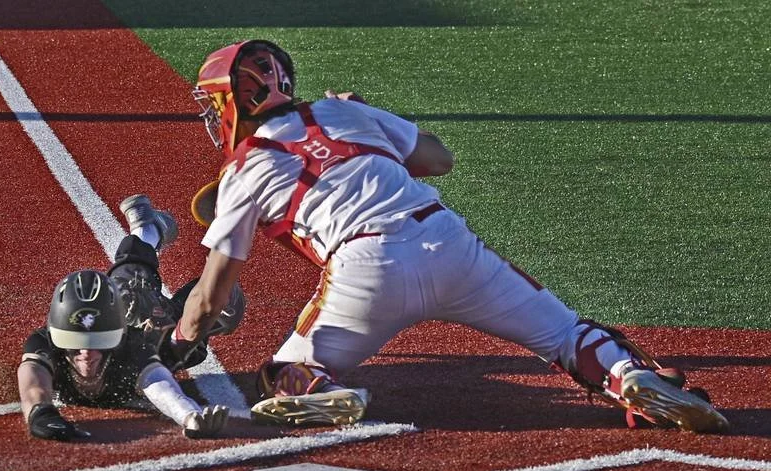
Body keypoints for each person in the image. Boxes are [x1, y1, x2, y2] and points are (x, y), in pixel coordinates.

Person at [171, 39, 729, 433]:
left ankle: (320, 391)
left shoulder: (243, 171)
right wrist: (368, 122)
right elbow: (439, 160)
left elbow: (212, 294)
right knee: (567, 334)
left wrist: (175, 345)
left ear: (235, 100)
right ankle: (629, 375)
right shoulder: (341, 113)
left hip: (365, 269)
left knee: (282, 374)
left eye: (213, 101)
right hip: (449, 244)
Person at [17, 195, 245, 441]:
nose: (86, 352)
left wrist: (189, 415)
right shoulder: (44, 345)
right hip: (143, 329)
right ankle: (149, 232)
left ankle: (150, 232)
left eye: (99, 341)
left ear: (117, 336)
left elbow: (162, 389)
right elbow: (33, 384)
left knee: (138, 300)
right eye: (75, 342)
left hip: (151, 331)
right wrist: (40, 413)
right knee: (148, 309)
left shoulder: (136, 349)